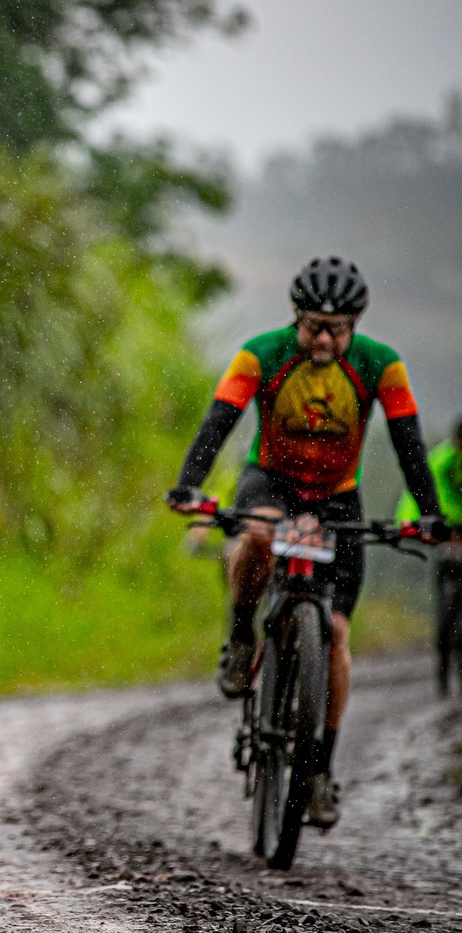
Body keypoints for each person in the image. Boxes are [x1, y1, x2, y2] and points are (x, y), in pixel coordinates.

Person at [166, 256, 447, 829]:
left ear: (354, 326)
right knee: (257, 534)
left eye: (336, 330)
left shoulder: (382, 365)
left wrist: (431, 513)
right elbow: (219, 420)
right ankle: (241, 636)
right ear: (295, 317)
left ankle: (318, 769)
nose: (323, 340)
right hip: (270, 480)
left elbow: (408, 442)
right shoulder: (260, 354)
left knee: (337, 633)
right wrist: (190, 484)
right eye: (314, 326)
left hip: (338, 497)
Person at [397, 415, 462, 693]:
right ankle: (443, 667)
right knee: (445, 601)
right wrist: (407, 523)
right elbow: (418, 496)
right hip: (448, 529)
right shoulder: (441, 460)